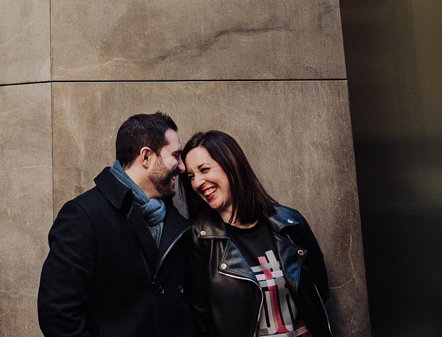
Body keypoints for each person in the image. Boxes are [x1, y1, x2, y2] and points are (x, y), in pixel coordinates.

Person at [37, 113, 194, 337]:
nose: (182, 167)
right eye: (176, 156)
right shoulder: (83, 216)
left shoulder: (174, 219)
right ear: (147, 157)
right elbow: (58, 316)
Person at [182, 131, 331, 337]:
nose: (197, 182)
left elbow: (318, 292)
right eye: (191, 176)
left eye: (204, 170)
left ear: (232, 165)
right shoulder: (200, 240)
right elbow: (202, 320)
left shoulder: (291, 224)